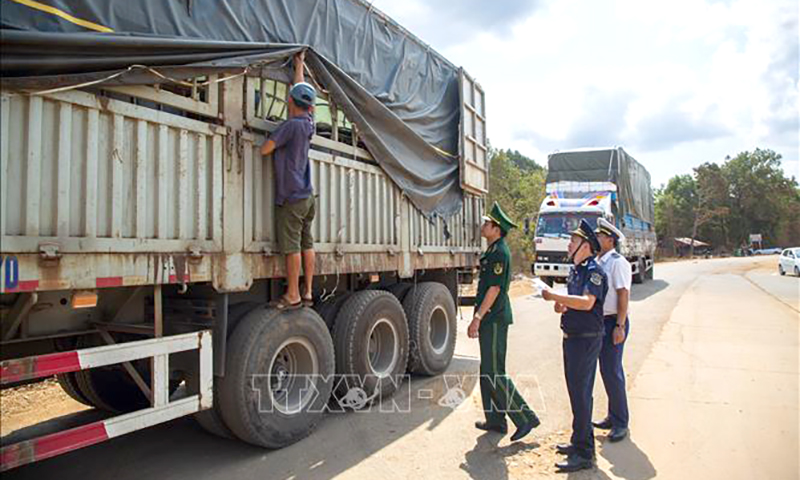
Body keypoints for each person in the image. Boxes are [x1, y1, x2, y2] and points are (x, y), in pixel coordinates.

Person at [468, 202, 540, 442]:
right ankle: (496, 421)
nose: (483, 225)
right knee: (487, 370)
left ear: (496, 229)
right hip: (489, 317)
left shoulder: (499, 252)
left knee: (494, 371)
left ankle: (525, 418)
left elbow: (495, 289)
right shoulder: (491, 250)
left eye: (487, 223)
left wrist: (478, 317)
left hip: (494, 318)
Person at [541, 219, 607, 472]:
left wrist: (555, 295)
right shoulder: (576, 271)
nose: (568, 244)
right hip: (572, 337)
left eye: (573, 241)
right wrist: (562, 305)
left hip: (586, 339)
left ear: (586, 246)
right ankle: (578, 440)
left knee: (581, 394)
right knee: (575, 393)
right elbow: (574, 301)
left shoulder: (594, 272)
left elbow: (588, 302)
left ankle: (584, 452)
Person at [261, 50, 317, 310]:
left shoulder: (289, 126)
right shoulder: (308, 122)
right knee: (307, 242)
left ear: (291, 102)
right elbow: (300, 90)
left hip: (291, 197)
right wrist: (299, 65)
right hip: (307, 196)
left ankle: (292, 294)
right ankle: (307, 292)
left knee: (292, 245)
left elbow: (265, 149)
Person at [592, 217, 632, 442]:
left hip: (613, 321)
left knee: (613, 371)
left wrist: (619, 325)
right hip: (600, 321)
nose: (596, 239)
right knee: (606, 370)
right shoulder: (599, 261)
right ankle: (612, 414)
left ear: (610, 239)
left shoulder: (617, 262)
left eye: (599, 236)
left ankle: (620, 422)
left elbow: (623, 294)